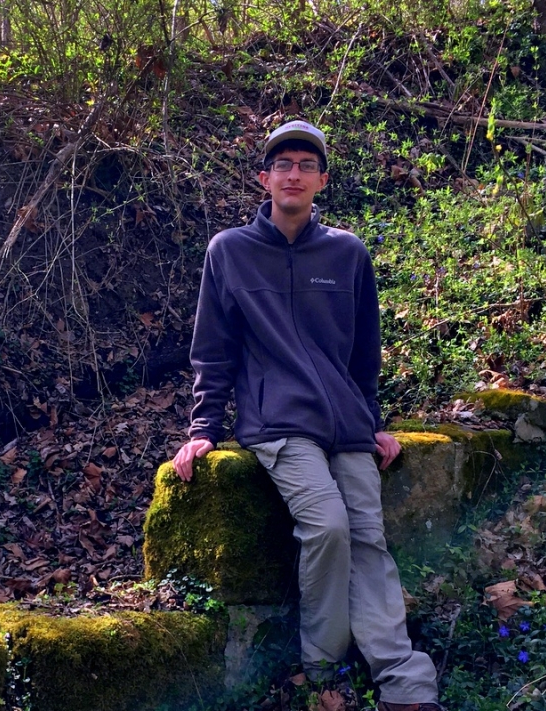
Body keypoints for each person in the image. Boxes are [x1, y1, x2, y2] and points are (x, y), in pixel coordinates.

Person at [172, 120, 442, 711]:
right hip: (278, 424)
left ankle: (406, 685)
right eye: (282, 164)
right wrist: (202, 431)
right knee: (328, 526)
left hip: (346, 425)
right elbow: (212, 353)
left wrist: (372, 421)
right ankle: (323, 666)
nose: (293, 174)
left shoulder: (346, 253)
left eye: (305, 165)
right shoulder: (230, 252)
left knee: (369, 538)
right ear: (265, 178)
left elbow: (363, 353)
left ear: (321, 179)